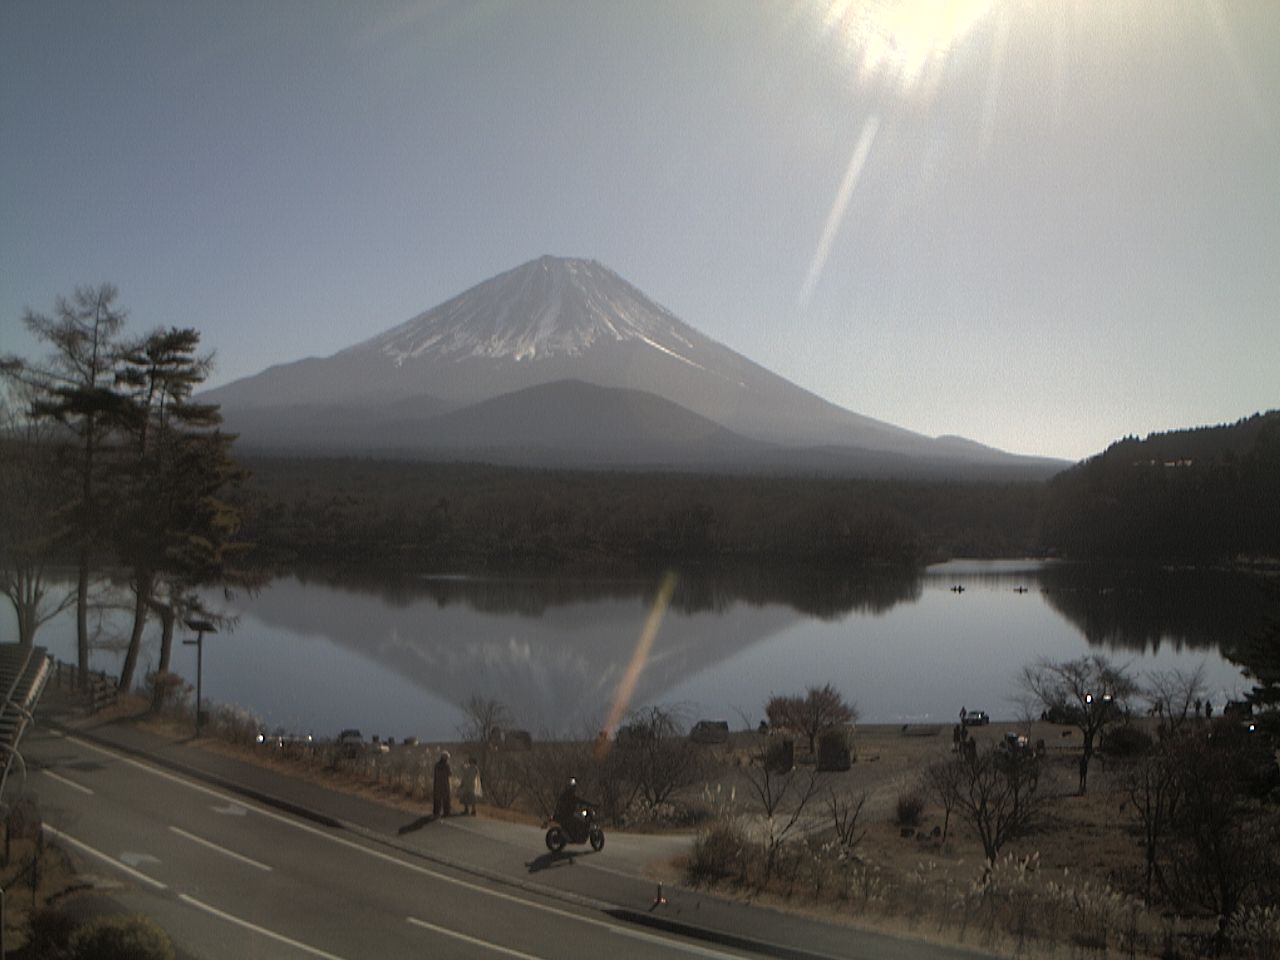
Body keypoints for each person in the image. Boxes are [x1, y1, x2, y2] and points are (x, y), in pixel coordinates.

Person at [433, 750, 453, 819]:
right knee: (446, 798)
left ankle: (436, 813)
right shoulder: (447, 765)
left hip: (437, 784)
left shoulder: (436, 765)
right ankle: (446, 812)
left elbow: (435, 774)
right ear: (445, 758)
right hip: (445, 784)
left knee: (437, 799)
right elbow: (450, 774)